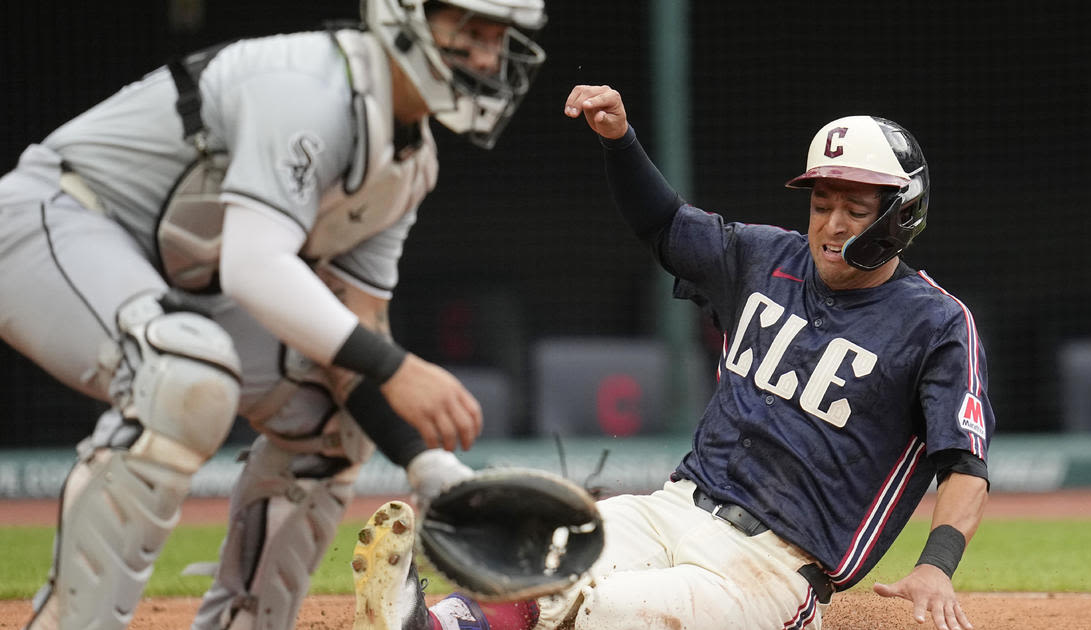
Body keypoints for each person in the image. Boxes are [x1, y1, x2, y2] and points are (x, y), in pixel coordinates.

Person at [349, 85, 995, 630]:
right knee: (538, 551)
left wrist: (936, 564)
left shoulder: (936, 323)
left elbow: (962, 460)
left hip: (771, 569)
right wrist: (619, 139)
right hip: (675, 507)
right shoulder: (763, 257)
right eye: (821, 204)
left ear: (899, 216)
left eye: (854, 210)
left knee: (597, 606)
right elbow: (662, 224)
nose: (829, 224)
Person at [0, 1, 547, 628]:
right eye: (470, 31)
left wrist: (429, 466)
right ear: (404, 16)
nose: (485, 56)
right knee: (184, 378)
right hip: (56, 218)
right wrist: (398, 369)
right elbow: (255, 268)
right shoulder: (310, 84)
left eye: (498, 38)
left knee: (330, 418)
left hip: (176, 275)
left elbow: (352, 328)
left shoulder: (410, 164)